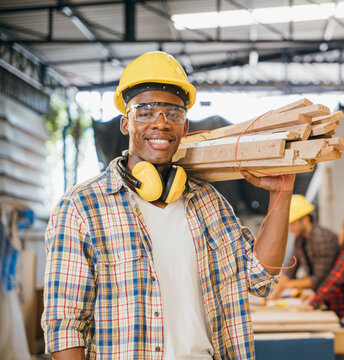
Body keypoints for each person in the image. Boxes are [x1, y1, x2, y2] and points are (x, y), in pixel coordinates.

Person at [41, 51, 294, 359]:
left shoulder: (208, 203)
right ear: (126, 124)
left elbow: (259, 278)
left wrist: (282, 195)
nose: (160, 123)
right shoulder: (82, 207)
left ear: (184, 127)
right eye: (145, 112)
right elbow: (65, 325)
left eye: (172, 114)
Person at [269, 194, 340, 299]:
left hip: (336, 299)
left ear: (306, 219)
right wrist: (273, 294)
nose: (290, 228)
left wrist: (288, 284)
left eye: (293, 223)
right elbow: (289, 270)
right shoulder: (300, 239)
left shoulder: (322, 239)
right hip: (320, 297)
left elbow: (318, 280)